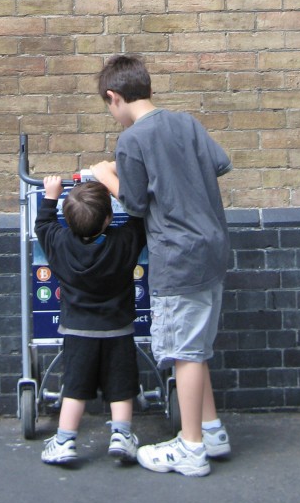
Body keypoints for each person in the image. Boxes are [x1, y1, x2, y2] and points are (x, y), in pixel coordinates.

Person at [92, 53, 232, 477]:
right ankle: (211, 431)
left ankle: (191, 449)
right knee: (199, 345)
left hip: (177, 256)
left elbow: (134, 203)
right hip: (213, 249)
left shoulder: (131, 140)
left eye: (108, 107)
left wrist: (104, 174)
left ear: (114, 98)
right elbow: (218, 163)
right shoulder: (185, 122)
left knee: (185, 352)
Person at [35, 172, 146, 467]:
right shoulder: (123, 243)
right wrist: (114, 181)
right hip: (118, 329)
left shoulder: (58, 243)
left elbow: (43, 224)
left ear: (67, 220)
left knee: (75, 387)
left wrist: (51, 195)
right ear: (109, 219)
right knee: (121, 386)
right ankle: (121, 436)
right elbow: (139, 218)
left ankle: (64, 440)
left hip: (77, 330)